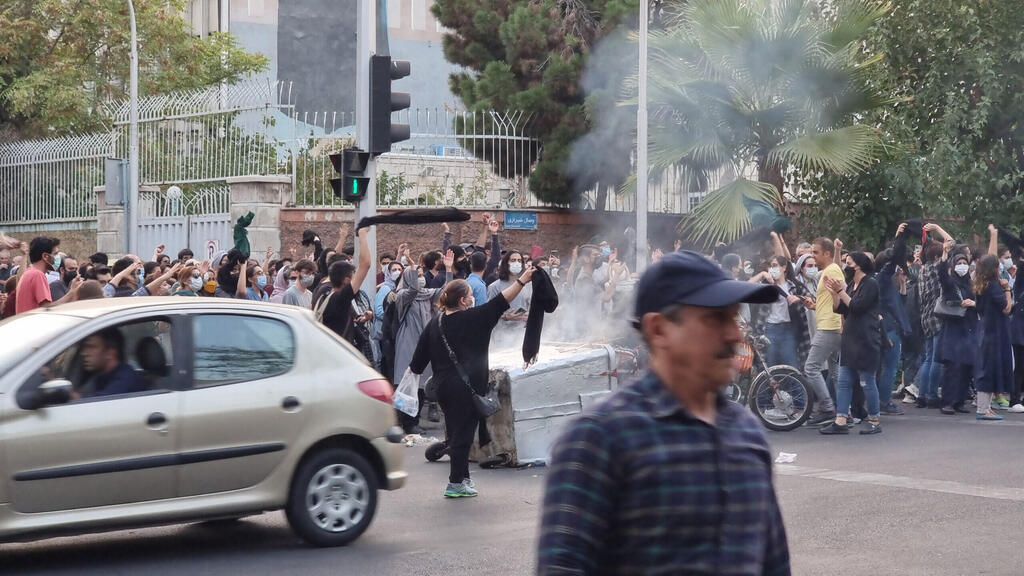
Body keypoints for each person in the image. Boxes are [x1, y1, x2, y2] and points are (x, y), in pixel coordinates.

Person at [536, 251, 788, 573]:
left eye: (735, 317)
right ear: (658, 330)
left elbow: (774, 564)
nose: (735, 334)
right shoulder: (599, 439)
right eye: (716, 319)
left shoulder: (748, 434)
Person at [410, 266, 537, 499]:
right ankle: (455, 484)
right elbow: (502, 300)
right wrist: (523, 279)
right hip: (466, 390)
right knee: (462, 437)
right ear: (463, 300)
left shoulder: (435, 323)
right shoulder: (475, 318)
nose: (473, 298)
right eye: (470, 294)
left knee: (458, 433)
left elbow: (417, 362)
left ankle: (464, 478)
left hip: (443, 389)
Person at [819, 251, 883, 435]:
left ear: (859, 265)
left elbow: (856, 306)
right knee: (845, 381)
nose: (846, 266)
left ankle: (874, 420)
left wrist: (840, 291)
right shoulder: (851, 285)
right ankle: (841, 420)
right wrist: (834, 293)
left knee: (867, 381)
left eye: (849, 263)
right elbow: (840, 308)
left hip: (866, 339)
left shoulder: (870, 283)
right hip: (850, 338)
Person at [393, 254, 453, 434]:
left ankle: (413, 421)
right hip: (407, 342)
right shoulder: (402, 295)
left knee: (419, 387)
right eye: (416, 275)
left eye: (421, 275)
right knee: (406, 383)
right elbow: (411, 290)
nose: (420, 278)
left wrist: (448, 269)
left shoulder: (427, 294)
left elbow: (446, 292)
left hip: (424, 344)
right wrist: (411, 265)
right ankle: (403, 420)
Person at [803, 237, 843, 425]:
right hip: (831, 325)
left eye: (815, 252)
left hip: (829, 327)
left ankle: (827, 407)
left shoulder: (832, 270)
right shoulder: (829, 270)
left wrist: (837, 252)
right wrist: (814, 306)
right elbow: (830, 301)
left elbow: (840, 297)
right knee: (835, 371)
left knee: (811, 367)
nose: (812, 256)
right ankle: (844, 411)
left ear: (826, 253)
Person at [935, 238, 978, 415]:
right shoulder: (950, 283)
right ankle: (947, 402)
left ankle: (959, 401)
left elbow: (980, 301)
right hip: (953, 327)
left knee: (967, 366)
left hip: (969, 327)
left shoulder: (971, 283)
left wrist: (973, 303)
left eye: (964, 263)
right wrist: (945, 253)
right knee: (953, 367)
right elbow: (942, 274)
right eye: (959, 263)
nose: (962, 266)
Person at [875, 224, 913, 415]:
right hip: (888, 329)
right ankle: (884, 401)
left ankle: (878, 400)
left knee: (882, 367)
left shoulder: (883, 281)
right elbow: (893, 260)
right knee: (889, 367)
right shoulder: (882, 278)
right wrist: (899, 236)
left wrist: (903, 286)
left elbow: (898, 303)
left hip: (888, 326)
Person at [748, 255, 809, 368]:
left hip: (789, 329)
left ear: (784, 267)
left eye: (775, 266)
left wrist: (799, 298)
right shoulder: (766, 287)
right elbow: (747, 287)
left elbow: (812, 299)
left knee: (791, 366)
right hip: (770, 329)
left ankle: (794, 385)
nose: (772, 269)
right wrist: (762, 274)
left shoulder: (794, 286)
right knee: (771, 366)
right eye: (771, 267)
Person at [974, 251, 1014, 420]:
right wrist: (1007, 289)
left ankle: (986, 407)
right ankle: (983, 409)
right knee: (990, 369)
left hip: (986, 329)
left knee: (989, 368)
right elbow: (1006, 308)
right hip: (995, 332)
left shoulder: (981, 285)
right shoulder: (995, 286)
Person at [316, 227, 371, 338]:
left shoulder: (324, 292)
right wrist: (362, 233)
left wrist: (363, 319)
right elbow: (365, 264)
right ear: (346, 281)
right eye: (353, 276)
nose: (356, 278)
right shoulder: (339, 298)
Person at [917, 232, 948, 409]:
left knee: (928, 358)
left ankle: (921, 394)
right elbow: (950, 243)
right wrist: (937, 229)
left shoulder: (923, 270)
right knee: (936, 358)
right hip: (938, 317)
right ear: (937, 256)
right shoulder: (937, 269)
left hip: (925, 316)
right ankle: (931, 394)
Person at [16, 237, 79, 314]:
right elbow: (47, 308)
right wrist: (72, 292)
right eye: (55, 254)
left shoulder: (29, 273)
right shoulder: (37, 275)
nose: (58, 258)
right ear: (45, 256)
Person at [77, 328, 146, 398]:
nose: (84, 353)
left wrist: (74, 397)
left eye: (91, 347)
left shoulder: (127, 378)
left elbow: (101, 403)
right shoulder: (100, 376)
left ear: (110, 352)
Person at [487, 249, 532, 322]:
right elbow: (489, 312)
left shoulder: (527, 285)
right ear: (506, 263)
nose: (517, 263)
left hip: (522, 330)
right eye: (513, 260)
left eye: (519, 261)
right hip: (502, 331)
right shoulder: (494, 287)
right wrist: (506, 317)